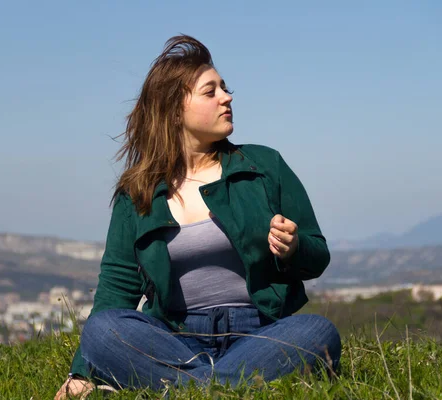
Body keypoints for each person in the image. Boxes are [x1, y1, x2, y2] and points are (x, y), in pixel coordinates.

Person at [55, 34, 341, 399]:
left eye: (225, 87)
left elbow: (317, 256)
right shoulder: (137, 191)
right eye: (211, 92)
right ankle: (222, 387)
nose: (228, 97)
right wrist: (81, 371)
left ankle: (185, 389)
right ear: (176, 110)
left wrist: (293, 248)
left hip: (259, 333)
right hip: (173, 339)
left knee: (317, 332)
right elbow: (117, 289)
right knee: (101, 329)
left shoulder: (264, 166)